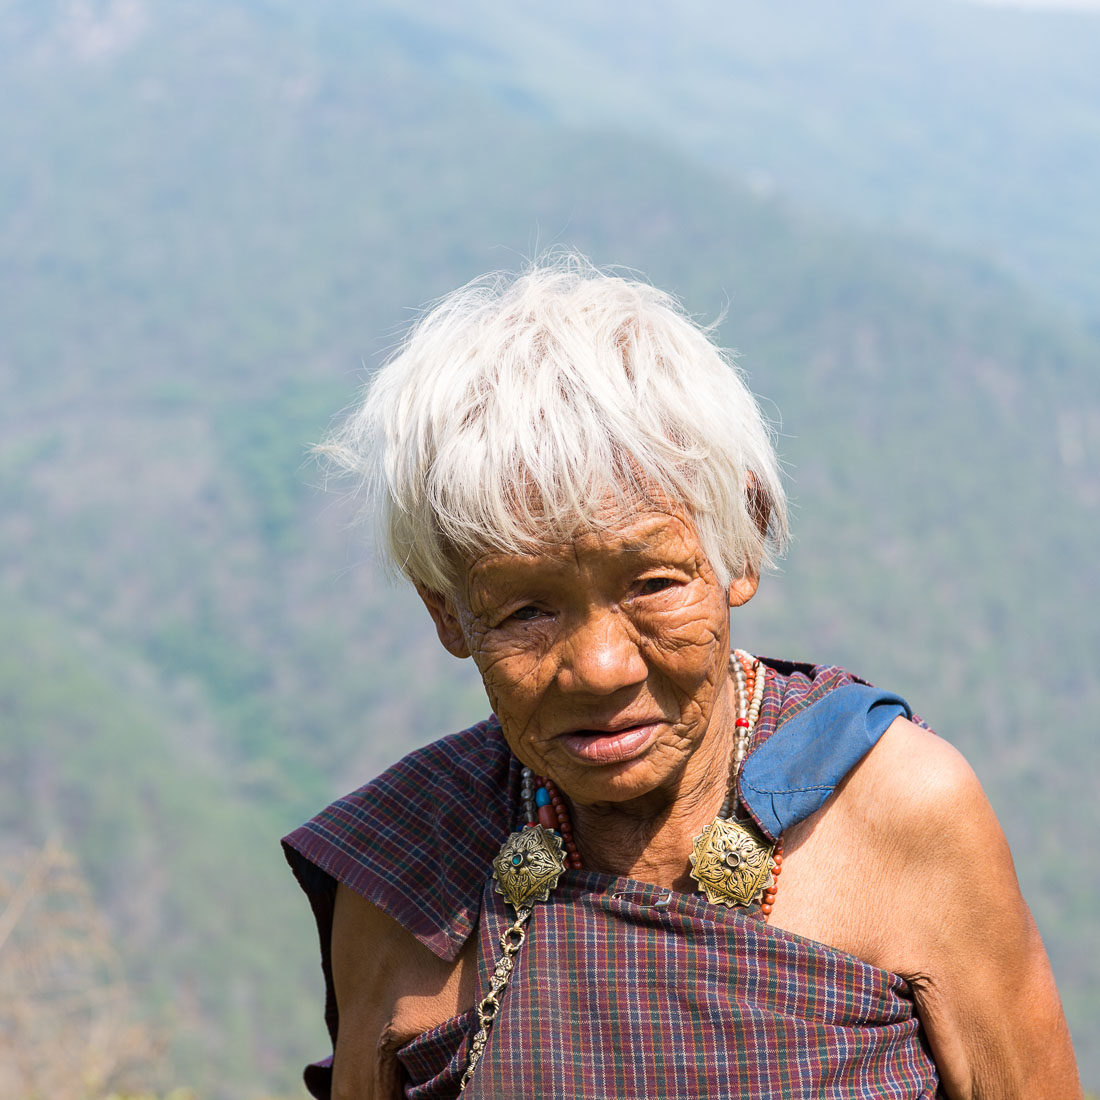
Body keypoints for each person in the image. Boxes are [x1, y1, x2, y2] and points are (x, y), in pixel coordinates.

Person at [284, 257, 1081, 1099]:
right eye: (526, 612)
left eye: (654, 584)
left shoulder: (900, 814)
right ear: (447, 612)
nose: (601, 669)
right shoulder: (407, 867)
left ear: (741, 544)